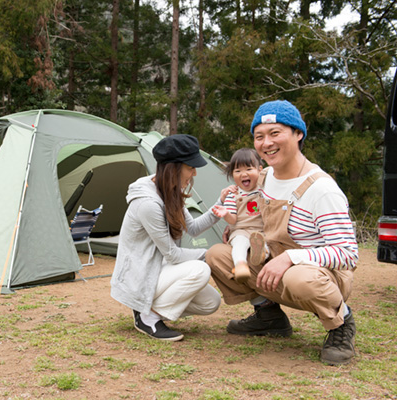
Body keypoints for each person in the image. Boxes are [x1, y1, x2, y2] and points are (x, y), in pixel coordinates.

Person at [206, 100, 358, 365]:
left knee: (300, 278)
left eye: (275, 133)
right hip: (273, 262)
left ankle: (341, 324)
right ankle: (268, 315)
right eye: (259, 136)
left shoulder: (321, 189)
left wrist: (291, 259)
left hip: (319, 274)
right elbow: (251, 211)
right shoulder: (264, 178)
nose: (266, 143)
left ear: (299, 134)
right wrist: (237, 225)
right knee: (219, 255)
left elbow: (347, 254)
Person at [110, 134, 223, 342]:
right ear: (174, 168)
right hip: (142, 275)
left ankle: (150, 309)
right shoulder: (148, 204)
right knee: (201, 269)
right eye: (191, 167)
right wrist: (212, 255)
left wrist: (219, 207)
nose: (194, 173)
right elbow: (172, 254)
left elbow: (194, 228)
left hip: (159, 270)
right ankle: (147, 317)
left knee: (211, 302)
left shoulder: (171, 191)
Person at [212, 148, 268, 284]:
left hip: (261, 230)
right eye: (237, 171)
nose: (243, 174)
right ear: (232, 174)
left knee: (267, 241)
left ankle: (261, 253)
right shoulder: (233, 195)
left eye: (249, 169)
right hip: (241, 229)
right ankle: (240, 265)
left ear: (260, 169)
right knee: (239, 243)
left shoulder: (265, 189)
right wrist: (225, 214)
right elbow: (233, 219)